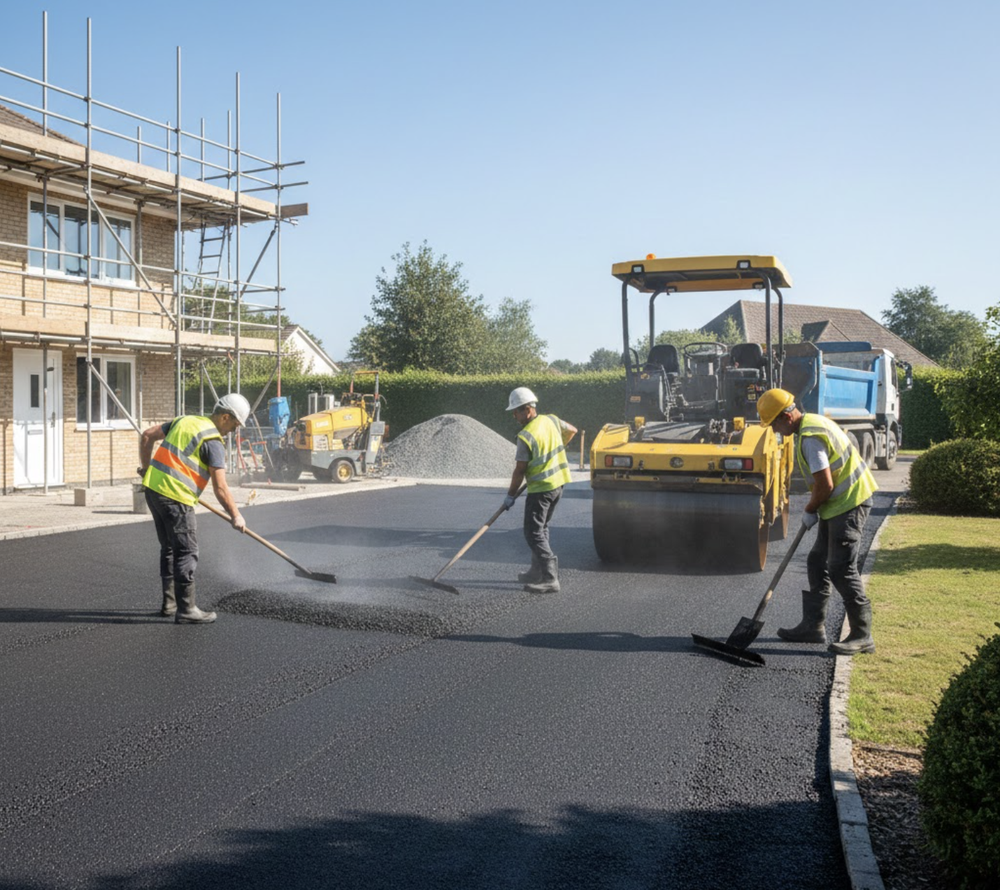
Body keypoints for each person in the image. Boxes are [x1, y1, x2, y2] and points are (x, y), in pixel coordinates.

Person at [757, 388, 878, 654]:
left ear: (786, 418)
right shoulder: (812, 423)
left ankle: (862, 634)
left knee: (840, 567)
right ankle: (813, 627)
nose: (776, 431)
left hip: (849, 502)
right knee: (816, 560)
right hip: (837, 504)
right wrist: (817, 508)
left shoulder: (810, 438)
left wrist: (810, 508)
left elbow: (825, 483)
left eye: (775, 424)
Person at [138, 393, 250, 624]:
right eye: (235, 425)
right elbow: (221, 488)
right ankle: (187, 609)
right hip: (176, 499)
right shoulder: (213, 442)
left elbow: (147, 435)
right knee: (187, 552)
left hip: (153, 491)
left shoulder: (184, 420)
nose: (233, 431)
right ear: (225, 417)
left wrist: (146, 469)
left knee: (168, 548)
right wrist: (236, 516)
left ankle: (169, 604)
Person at [503, 387, 578, 594]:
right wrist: (554, 451)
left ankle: (550, 578)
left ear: (527, 409)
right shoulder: (551, 420)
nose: (514, 415)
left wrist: (510, 496)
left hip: (541, 489)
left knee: (532, 532)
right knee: (542, 528)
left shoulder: (525, 436)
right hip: (558, 484)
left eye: (516, 411)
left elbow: (520, 470)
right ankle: (536, 572)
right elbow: (572, 430)